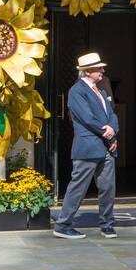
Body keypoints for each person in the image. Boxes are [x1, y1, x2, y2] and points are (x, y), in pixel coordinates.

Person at [53, 52, 119, 240]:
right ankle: (63, 225)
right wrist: (105, 130)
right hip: (88, 148)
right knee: (78, 188)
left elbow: (112, 114)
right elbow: (86, 117)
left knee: (108, 187)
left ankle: (107, 225)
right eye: (99, 68)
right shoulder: (77, 91)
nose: (103, 71)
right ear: (87, 71)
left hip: (106, 146)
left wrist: (113, 130)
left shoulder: (103, 91)